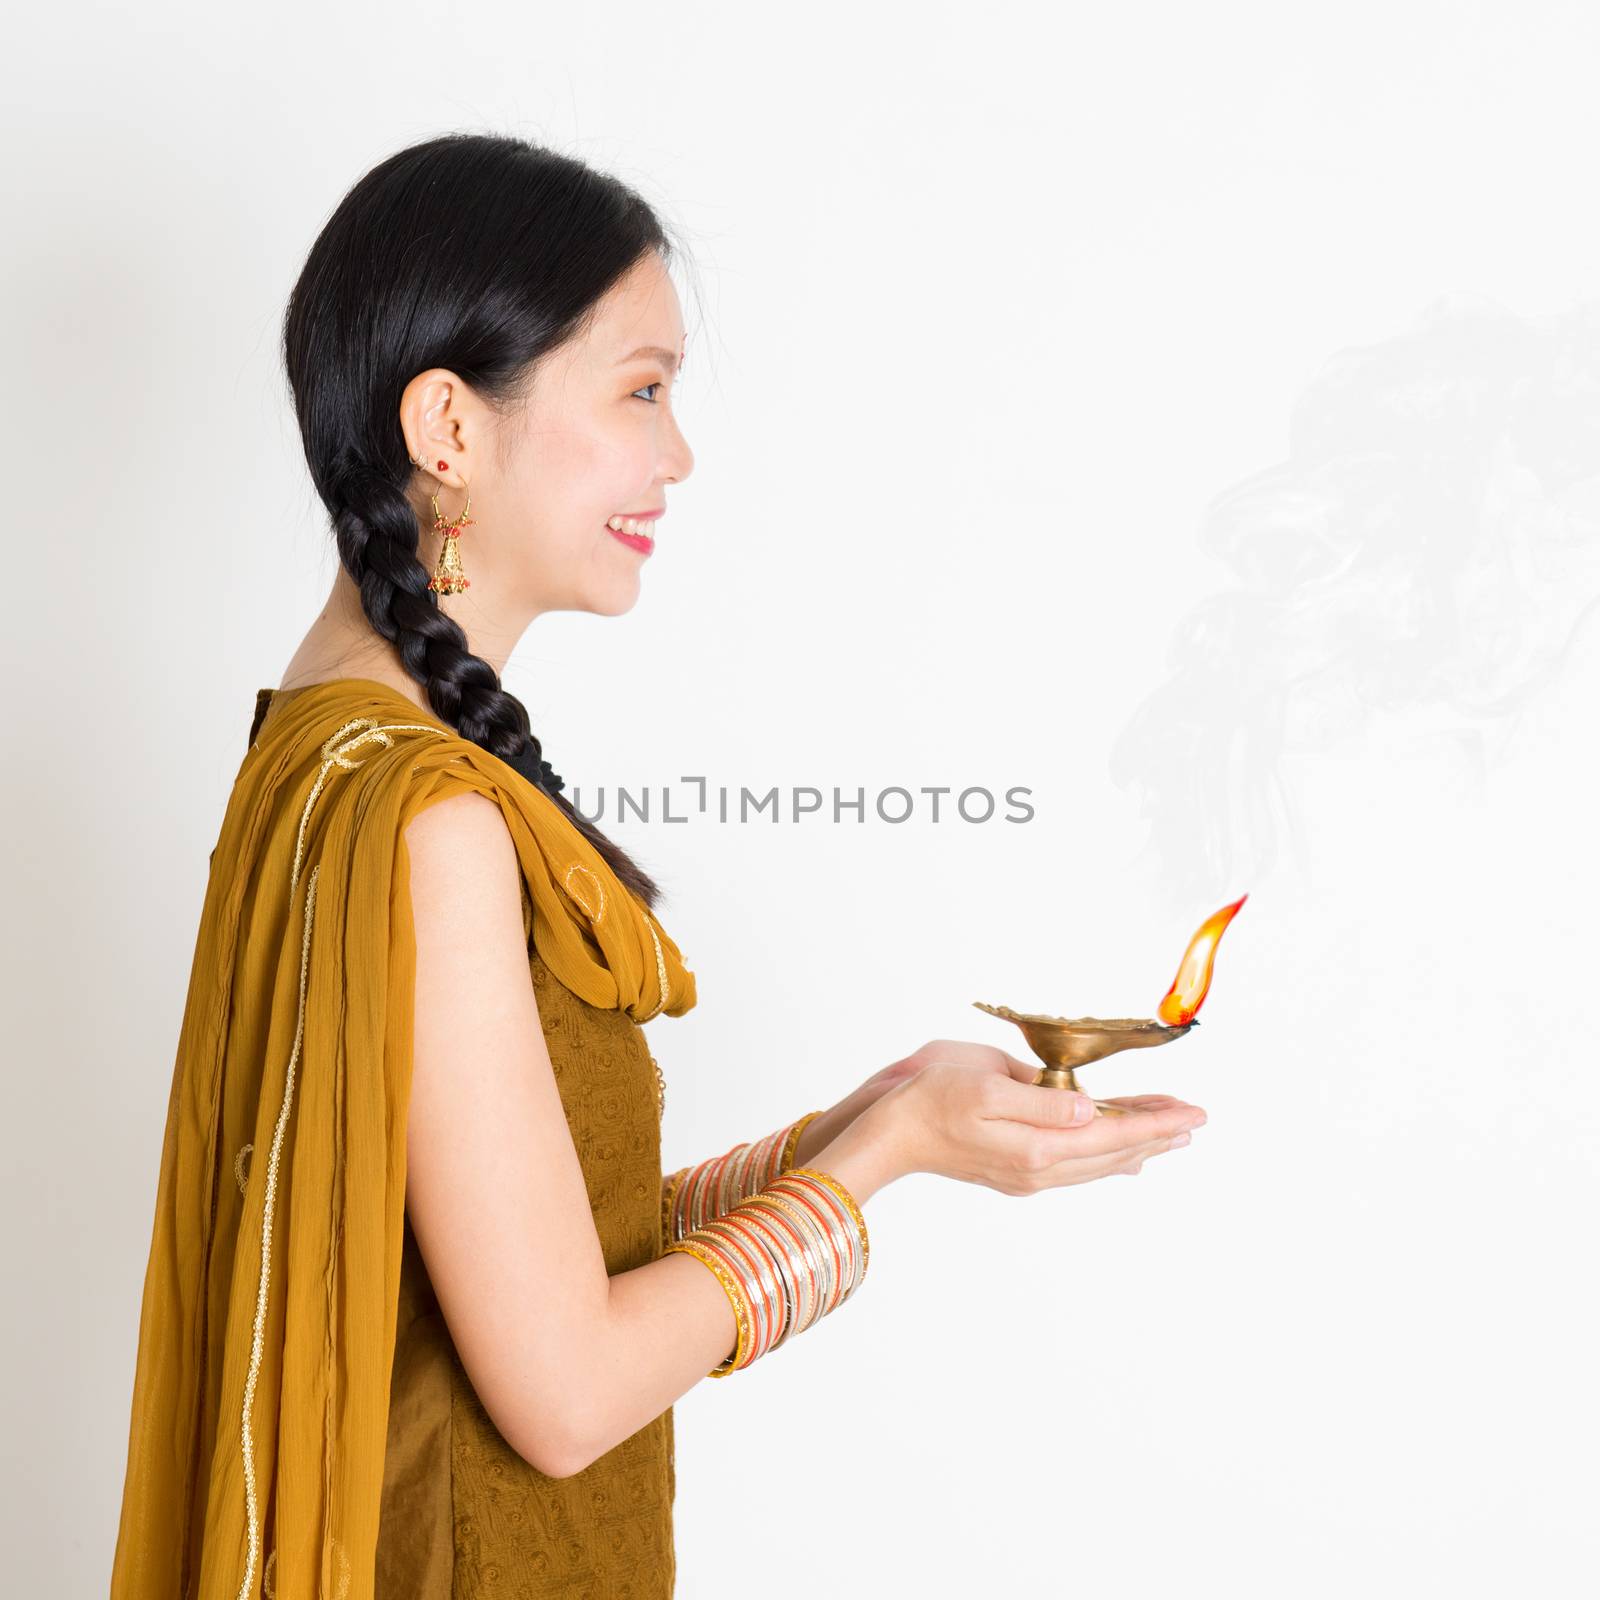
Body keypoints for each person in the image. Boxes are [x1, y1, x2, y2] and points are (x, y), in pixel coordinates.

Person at [109, 131, 1207, 1600]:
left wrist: (853, 1124)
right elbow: (563, 1397)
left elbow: (508, 1264)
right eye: (640, 390)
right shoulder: (426, 817)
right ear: (448, 424)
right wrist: (894, 1162)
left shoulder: (318, 753)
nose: (676, 454)